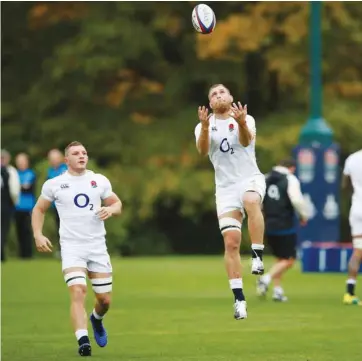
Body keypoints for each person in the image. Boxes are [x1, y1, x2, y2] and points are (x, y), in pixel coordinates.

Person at [31, 141, 122, 356]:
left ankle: (96, 319)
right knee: (78, 291)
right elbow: (39, 209)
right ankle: (83, 340)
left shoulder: (98, 180)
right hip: (72, 247)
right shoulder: (54, 184)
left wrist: (111, 209)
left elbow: (117, 203)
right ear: (66, 160)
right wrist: (38, 234)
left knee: (104, 300)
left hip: (97, 246)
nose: (81, 156)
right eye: (76, 153)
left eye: (84, 152)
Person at [194, 84, 266, 320]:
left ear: (231, 97)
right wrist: (205, 128)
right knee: (231, 241)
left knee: (250, 199)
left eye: (222, 92)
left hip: (249, 178)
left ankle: (257, 255)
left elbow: (246, 142)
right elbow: (203, 151)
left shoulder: (246, 118)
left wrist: (243, 122)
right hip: (225, 188)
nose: (218, 96)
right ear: (210, 102)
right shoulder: (203, 126)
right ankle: (239, 299)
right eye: (213, 94)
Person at [257, 159, 309, 301]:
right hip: (285, 224)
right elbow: (296, 200)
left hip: (268, 223)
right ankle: (265, 279)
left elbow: (258, 200)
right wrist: (304, 215)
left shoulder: (265, 178)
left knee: (279, 259)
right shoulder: (290, 179)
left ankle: (277, 291)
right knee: (289, 260)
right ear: (291, 168)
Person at [342, 149, 362, 306]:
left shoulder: (352, 158)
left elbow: (345, 185)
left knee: (357, 251)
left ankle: (349, 292)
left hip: (356, 208)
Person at [15, 152, 36, 259]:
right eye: (19, 162)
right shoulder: (15, 174)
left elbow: (27, 188)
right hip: (16, 207)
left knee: (27, 231)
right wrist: (21, 186)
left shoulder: (30, 174)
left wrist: (20, 187)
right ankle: (22, 254)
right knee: (19, 231)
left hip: (28, 207)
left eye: (23, 161)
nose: (21, 164)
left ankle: (29, 254)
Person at [1, 149, 21, 262]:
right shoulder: (11, 171)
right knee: (3, 229)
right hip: (6, 204)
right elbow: (14, 190)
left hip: (5, 204)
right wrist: (14, 202)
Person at [47, 149, 68, 231]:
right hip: (55, 205)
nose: (54, 161)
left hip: (67, 204)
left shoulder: (66, 169)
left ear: (61, 158)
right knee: (59, 229)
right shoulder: (50, 171)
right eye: (52, 159)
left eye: (55, 158)